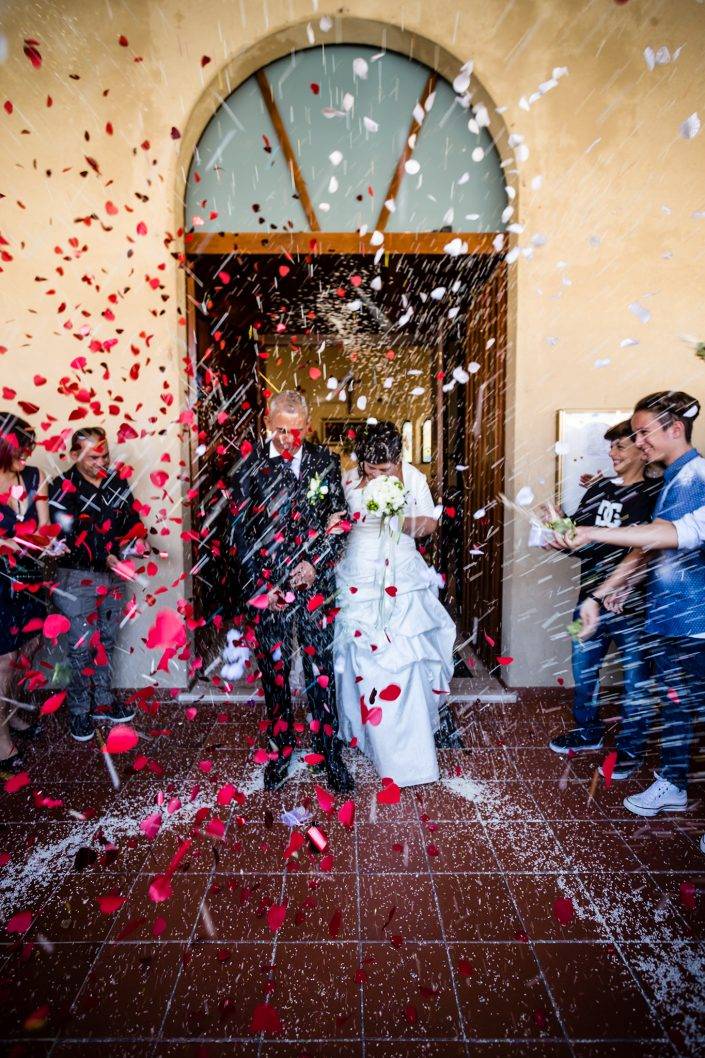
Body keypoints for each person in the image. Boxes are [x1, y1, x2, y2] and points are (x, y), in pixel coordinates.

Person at [557, 391, 705, 822]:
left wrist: (591, 533)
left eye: (643, 433)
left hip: (694, 622)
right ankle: (673, 785)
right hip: (671, 619)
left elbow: (662, 535)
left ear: (674, 429)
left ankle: (669, 779)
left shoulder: (694, 476)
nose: (638, 442)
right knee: (677, 708)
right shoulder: (676, 477)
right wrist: (603, 595)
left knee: (681, 707)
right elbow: (647, 551)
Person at [331, 421, 455, 787]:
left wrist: (397, 520)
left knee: (404, 657)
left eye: (383, 470)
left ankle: (408, 756)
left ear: (397, 459)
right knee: (363, 658)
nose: (375, 475)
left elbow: (430, 525)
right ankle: (368, 736)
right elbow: (339, 524)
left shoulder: (413, 477)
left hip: (401, 574)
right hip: (359, 573)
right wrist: (338, 523)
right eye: (370, 468)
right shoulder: (348, 480)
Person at [241, 391, 353, 793]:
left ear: (308, 424)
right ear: (268, 424)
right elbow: (239, 533)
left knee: (320, 673)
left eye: (297, 430)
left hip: (314, 589)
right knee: (275, 675)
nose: (289, 438)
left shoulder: (325, 463)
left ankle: (329, 753)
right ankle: (281, 750)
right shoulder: (251, 465)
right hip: (268, 591)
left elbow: (339, 523)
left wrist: (316, 563)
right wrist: (261, 585)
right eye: (281, 430)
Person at [547, 420, 661, 775]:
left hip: (634, 604)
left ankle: (629, 750)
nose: (611, 453)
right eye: (610, 447)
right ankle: (587, 732)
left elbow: (647, 549)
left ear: (641, 452)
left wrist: (616, 587)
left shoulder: (654, 494)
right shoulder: (597, 489)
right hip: (588, 598)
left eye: (619, 447)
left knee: (635, 680)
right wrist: (557, 529)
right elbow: (580, 539)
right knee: (583, 669)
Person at [48, 427, 146, 742]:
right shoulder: (61, 488)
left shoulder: (116, 482)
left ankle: (103, 701)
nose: (101, 461)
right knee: (80, 649)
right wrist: (105, 555)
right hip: (76, 577)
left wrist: (138, 538)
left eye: (104, 454)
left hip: (114, 576)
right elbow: (68, 537)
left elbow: (131, 518)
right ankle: (79, 712)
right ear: (75, 455)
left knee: (105, 640)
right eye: (93, 456)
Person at [0, 414, 52, 772]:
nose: (29, 453)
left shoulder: (34, 476)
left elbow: (45, 527)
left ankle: (14, 709)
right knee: (3, 659)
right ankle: (0, 738)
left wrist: (50, 544)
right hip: (0, 580)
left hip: (30, 575)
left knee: (30, 645)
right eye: (21, 447)